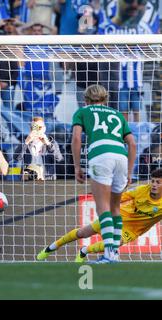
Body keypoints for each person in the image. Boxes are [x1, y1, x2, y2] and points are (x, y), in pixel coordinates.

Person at [71, 84, 137, 263]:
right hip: (121, 157)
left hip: (100, 156)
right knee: (116, 208)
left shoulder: (82, 112)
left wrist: (77, 167)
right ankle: (114, 253)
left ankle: (108, 254)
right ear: (105, 99)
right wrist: (130, 172)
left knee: (102, 208)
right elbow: (132, 143)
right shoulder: (116, 114)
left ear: (86, 99)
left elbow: (77, 138)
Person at [37, 168, 162, 262]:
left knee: (115, 244)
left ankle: (84, 250)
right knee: (83, 233)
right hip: (117, 218)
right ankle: (51, 248)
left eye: (158, 182)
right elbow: (118, 198)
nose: (154, 185)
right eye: (153, 181)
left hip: (132, 230)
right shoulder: (141, 190)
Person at [14, 117, 63, 181]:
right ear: (30, 129)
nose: (36, 130)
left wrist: (48, 144)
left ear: (44, 129)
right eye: (34, 128)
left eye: (39, 128)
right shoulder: (26, 142)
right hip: (29, 181)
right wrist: (26, 142)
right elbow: (16, 158)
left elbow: (59, 159)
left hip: (47, 180)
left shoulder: (52, 143)